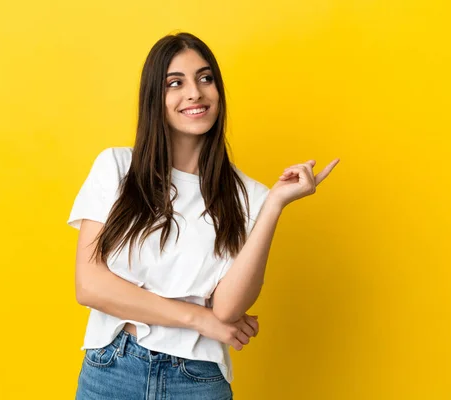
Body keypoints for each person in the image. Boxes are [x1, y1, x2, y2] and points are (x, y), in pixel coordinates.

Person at [67, 32, 339, 400]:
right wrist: (199, 318)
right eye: (175, 83)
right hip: (113, 369)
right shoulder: (116, 167)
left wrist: (274, 205)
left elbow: (228, 309)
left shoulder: (251, 197)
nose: (194, 92)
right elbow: (90, 285)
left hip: (195, 379)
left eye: (205, 78)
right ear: (154, 98)